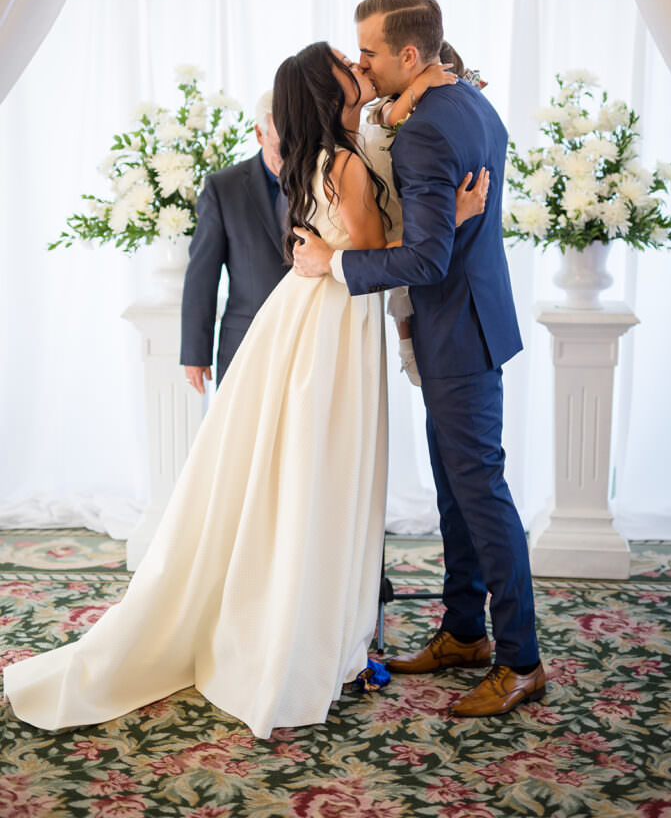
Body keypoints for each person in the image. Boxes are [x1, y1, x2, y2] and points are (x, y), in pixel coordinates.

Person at [3, 42, 486, 739]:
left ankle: (295, 617)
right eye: (347, 67)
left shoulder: (321, 157)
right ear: (329, 93)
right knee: (322, 470)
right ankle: (299, 632)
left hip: (309, 313)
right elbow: (371, 255)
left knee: (298, 471)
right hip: (331, 322)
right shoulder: (346, 163)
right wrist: (454, 222)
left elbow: (354, 244)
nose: (359, 69)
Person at [293, 0, 545, 717]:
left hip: (457, 328)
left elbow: (427, 260)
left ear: (409, 54)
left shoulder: (426, 130)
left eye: (368, 52)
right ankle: (464, 631)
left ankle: (521, 660)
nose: (362, 64)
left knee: (480, 494)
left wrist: (333, 265)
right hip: (467, 321)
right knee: (455, 490)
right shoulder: (466, 100)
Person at [181, 90, 289, 395]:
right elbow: (202, 274)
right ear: (259, 134)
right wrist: (195, 353)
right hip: (245, 343)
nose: (290, 155)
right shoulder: (223, 188)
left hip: (308, 340)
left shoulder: (320, 179)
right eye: (281, 146)